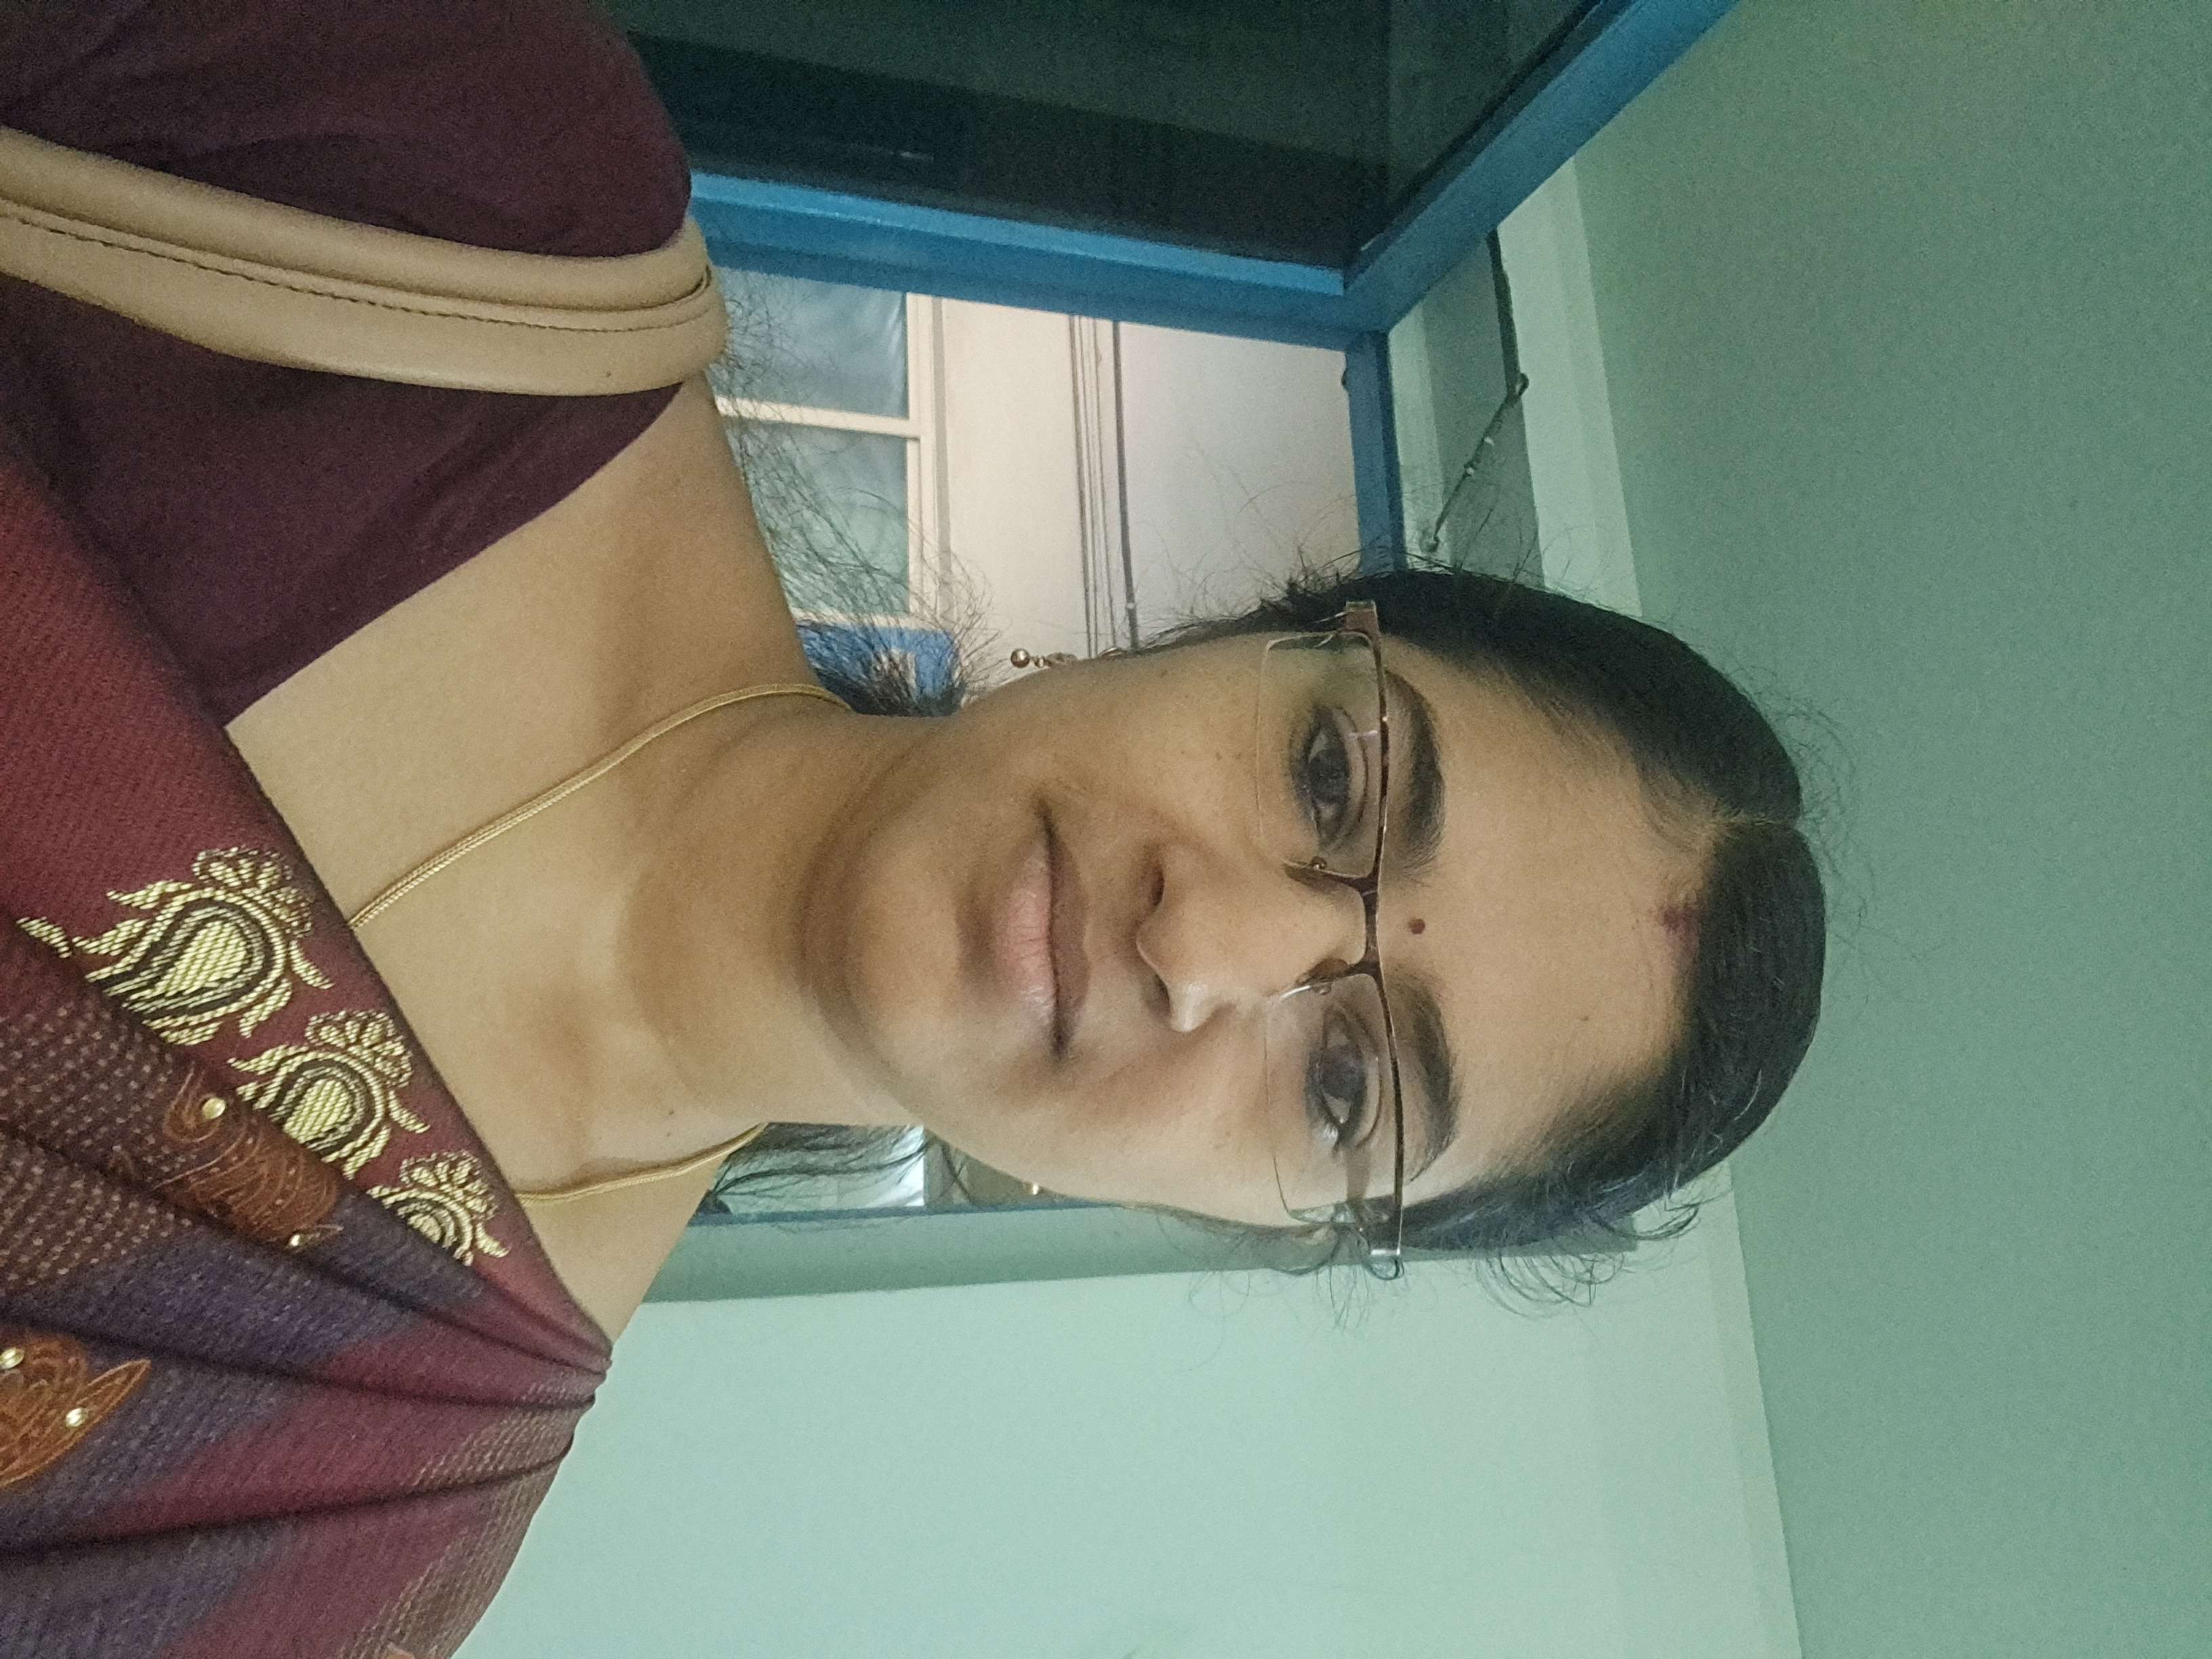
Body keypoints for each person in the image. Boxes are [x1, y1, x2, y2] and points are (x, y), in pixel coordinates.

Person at [0, 1, 1824, 1654]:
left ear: (1261, 1225)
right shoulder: (476, 182)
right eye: (1334, 782)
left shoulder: (337, 1523)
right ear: (1234, 636)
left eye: (1346, 1086)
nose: (1199, 944)